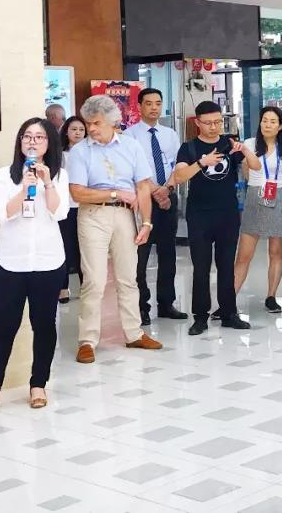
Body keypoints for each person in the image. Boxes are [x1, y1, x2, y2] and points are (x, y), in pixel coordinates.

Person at [0, 118, 71, 416]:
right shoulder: (5, 175)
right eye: (27, 136)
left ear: (49, 143)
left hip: (48, 261)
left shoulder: (59, 175)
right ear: (20, 142)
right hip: (11, 262)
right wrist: (24, 189)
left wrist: (46, 183)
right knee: (4, 327)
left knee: (44, 325)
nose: (32, 141)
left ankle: (38, 385)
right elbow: (0, 214)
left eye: (39, 137)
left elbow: (60, 213)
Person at [66, 95, 162, 363]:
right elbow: (77, 192)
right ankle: (87, 340)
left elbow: (143, 186)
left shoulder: (131, 146)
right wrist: (114, 193)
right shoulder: (80, 151)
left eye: (96, 123)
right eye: (88, 123)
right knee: (94, 280)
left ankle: (134, 334)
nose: (91, 128)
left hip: (125, 215)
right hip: (93, 215)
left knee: (128, 277)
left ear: (112, 121)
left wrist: (146, 222)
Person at [172, 100, 261, 335]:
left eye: (218, 122)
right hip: (199, 215)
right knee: (201, 267)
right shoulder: (189, 148)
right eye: (208, 123)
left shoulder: (229, 144)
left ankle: (229, 313)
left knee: (226, 265)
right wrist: (202, 162)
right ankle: (200, 317)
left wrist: (245, 150)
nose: (214, 127)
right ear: (197, 123)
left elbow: (256, 166)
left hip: (227, 214)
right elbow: (179, 177)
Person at [124, 89, 187, 325]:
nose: (154, 108)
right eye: (149, 103)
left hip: (168, 197)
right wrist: (155, 192)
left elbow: (178, 166)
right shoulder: (129, 135)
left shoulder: (170, 134)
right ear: (139, 106)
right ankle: (141, 306)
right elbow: (132, 170)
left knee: (168, 253)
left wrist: (167, 190)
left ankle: (166, 303)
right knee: (140, 256)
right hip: (142, 199)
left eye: (158, 103)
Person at [234, 106, 282, 313]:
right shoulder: (250, 144)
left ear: (280, 126)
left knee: (275, 251)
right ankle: (229, 299)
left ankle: (271, 296)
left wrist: (277, 188)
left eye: (273, 121)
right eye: (264, 120)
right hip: (255, 197)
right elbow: (245, 169)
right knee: (244, 254)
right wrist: (257, 185)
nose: (267, 125)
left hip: (279, 197)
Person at [57, 116, 85, 303]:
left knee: (85, 249)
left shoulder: (90, 153)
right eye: (74, 129)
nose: (77, 133)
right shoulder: (60, 155)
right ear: (66, 132)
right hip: (66, 208)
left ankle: (86, 286)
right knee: (65, 247)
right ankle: (63, 288)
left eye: (81, 130)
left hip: (85, 207)